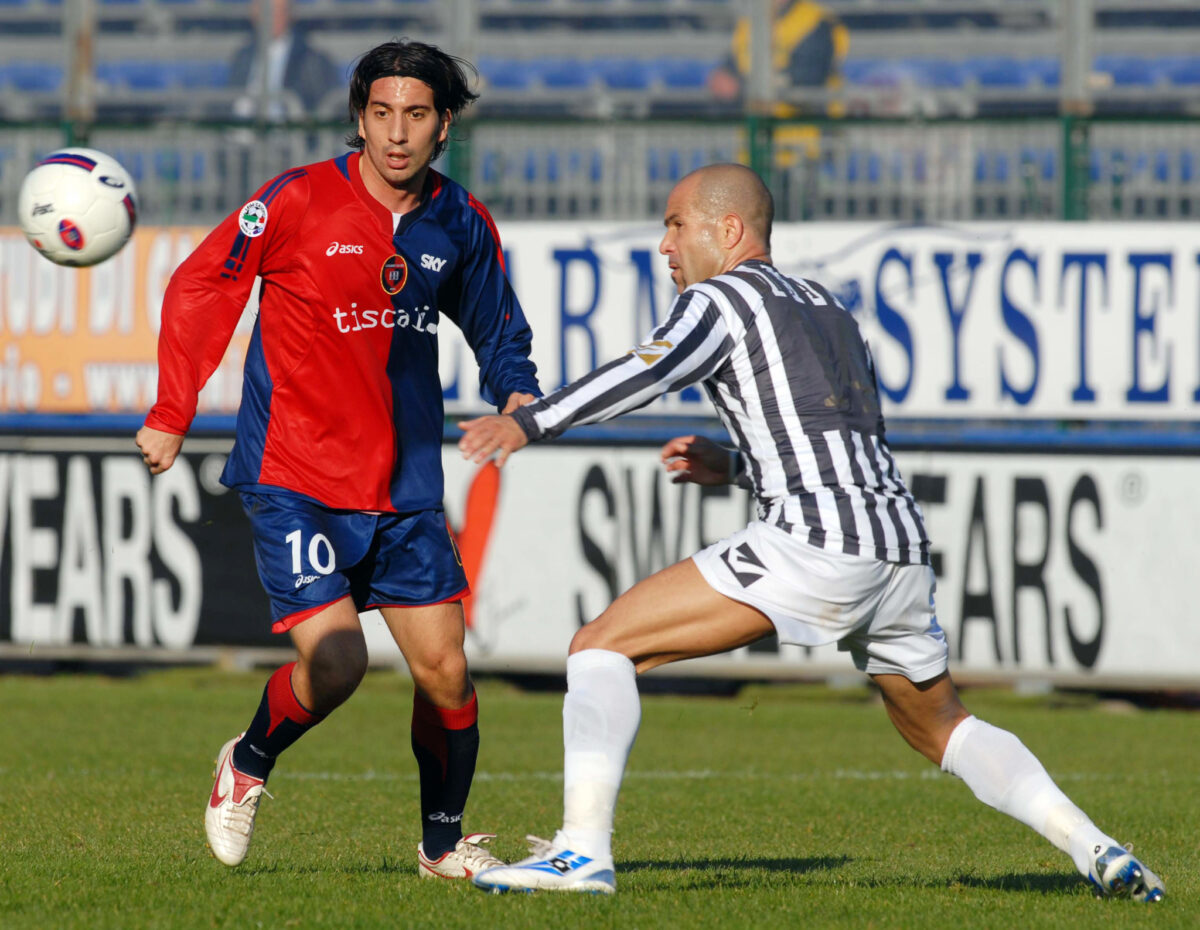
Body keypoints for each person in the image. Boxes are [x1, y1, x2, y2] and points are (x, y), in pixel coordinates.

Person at [456, 164, 1165, 902]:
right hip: (897, 548)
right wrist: (732, 466)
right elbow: (841, 439)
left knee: (601, 645)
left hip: (815, 542)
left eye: (675, 225)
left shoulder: (721, 298)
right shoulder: (829, 309)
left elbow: (649, 370)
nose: (664, 246)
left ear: (728, 231)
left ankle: (580, 854)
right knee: (941, 726)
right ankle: (1098, 848)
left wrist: (526, 421)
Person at [136, 39, 542, 879]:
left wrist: (517, 394)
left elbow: (498, 326)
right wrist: (172, 410)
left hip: (403, 488)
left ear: (444, 125)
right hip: (296, 476)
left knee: (448, 677)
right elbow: (203, 285)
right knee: (336, 662)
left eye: (417, 115)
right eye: (382, 114)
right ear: (359, 118)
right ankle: (247, 762)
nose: (398, 134)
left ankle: (440, 847)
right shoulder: (295, 200)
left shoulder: (460, 222)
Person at [708, 0, 849, 116]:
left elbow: (808, 78)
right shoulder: (751, 22)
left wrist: (742, 86)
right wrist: (723, 77)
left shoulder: (816, 20)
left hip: (808, 139)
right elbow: (733, 63)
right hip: (757, 137)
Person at [230, 0, 341, 121]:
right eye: (265, 11)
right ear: (254, 15)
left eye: (278, 11)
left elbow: (324, 112)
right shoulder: (242, 56)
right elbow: (229, 103)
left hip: (289, 136)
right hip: (239, 135)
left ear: (289, 14)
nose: (271, 17)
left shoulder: (313, 61)